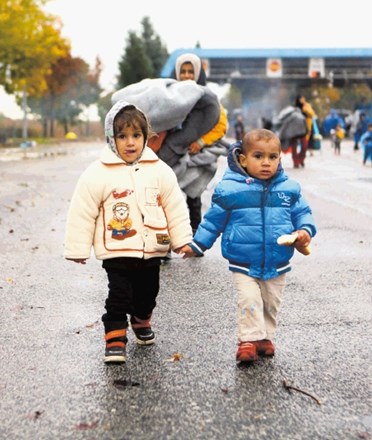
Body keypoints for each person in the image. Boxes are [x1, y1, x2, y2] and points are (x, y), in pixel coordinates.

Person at [64, 101, 193, 364]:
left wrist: (182, 240)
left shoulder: (159, 170)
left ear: (146, 137)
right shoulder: (97, 173)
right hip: (116, 249)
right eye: (122, 136)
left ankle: (141, 319)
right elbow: (82, 211)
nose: (130, 142)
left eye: (136, 135)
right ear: (111, 139)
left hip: (152, 249)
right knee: (118, 295)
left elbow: (174, 206)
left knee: (149, 293)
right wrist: (77, 248)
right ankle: (115, 338)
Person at [178, 129, 317, 363]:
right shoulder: (231, 190)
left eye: (272, 157)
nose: (266, 163)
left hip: (278, 259)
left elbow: (303, 213)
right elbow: (213, 221)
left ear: (279, 159)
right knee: (249, 299)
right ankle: (248, 340)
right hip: (243, 259)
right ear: (243, 159)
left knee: (271, 303)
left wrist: (304, 231)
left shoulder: (288, 189)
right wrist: (198, 244)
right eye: (259, 156)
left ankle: (265, 337)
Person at [173, 53, 229, 233]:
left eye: (191, 71)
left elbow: (221, 125)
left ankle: (196, 236)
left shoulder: (207, 98)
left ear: (197, 73)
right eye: (183, 71)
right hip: (174, 153)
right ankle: (168, 239)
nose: (187, 75)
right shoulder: (171, 95)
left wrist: (201, 142)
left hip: (197, 153)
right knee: (169, 197)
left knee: (193, 195)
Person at [293, 95, 316, 167]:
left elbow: (312, 114)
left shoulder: (307, 106)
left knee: (304, 146)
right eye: (301, 99)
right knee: (294, 146)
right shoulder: (295, 108)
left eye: (304, 98)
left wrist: (304, 109)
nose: (303, 100)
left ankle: (301, 159)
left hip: (306, 129)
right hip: (295, 129)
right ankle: (296, 162)